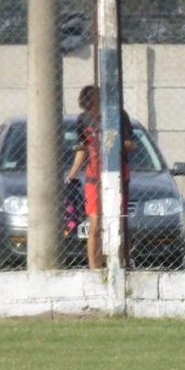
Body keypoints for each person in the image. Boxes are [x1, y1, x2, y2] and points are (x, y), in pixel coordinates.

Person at [64, 83, 134, 270]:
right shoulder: (83, 120)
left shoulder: (119, 116)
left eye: (93, 107)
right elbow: (83, 148)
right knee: (94, 224)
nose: (91, 112)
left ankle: (123, 264)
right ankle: (95, 268)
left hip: (118, 175)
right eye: (88, 109)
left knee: (119, 221)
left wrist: (113, 141)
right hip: (94, 178)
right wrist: (72, 174)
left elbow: (130, 144)